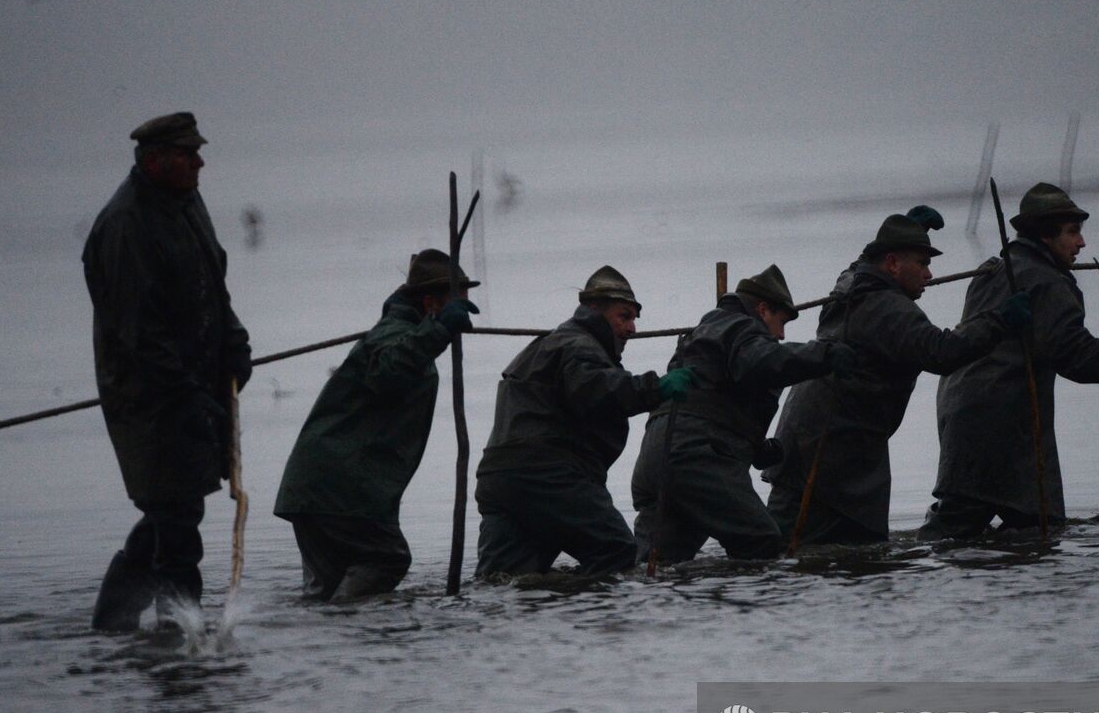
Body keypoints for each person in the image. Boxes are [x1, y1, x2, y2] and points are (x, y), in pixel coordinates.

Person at [923, 182, 1099, 539]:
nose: (1081, 243)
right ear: (1045, 235)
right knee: (1024, 526)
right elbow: (1074, 355)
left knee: (989, 522)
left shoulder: (994, 268)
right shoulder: (1048, 281)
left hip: (961, 407)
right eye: (1072, 233)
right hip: (1001, 417)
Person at [763, 212, 1031, 545]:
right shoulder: (887, 308)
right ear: (891, 263)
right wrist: (1000, 320)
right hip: (830, 457)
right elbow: (941, 352)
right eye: (921, 262)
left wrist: (907, 229)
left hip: (820, 445)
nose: (929, 275)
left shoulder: (850, 285)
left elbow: (862, 263)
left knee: (841, 552)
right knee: (787, 548)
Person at [83, 112, 252, 631]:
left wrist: (234, 339)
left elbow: (210, 284)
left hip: (196, 388)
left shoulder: (185, 202)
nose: (200, 162)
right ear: (155, 161)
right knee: (177, 519)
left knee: (171, 514)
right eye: (188, 154)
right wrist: (186, 395)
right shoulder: (126, 224)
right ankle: (183, 635)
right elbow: (139, 333)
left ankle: (114, 624)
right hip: (150, 403)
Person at [273, 250, 480, 601]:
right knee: (387, 558)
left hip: (321, 488)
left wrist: (436, 330)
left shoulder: (403, 333)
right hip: (339, 490)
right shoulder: (394, 333)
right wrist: (440, 329)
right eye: (455, 302)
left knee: (325, 592)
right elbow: (390, 371)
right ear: (430, 303)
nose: (463, 310)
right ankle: (346, 627)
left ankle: (326, 646)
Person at [474, 266, 695, 577]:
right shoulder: (580, 347)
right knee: (615, 551)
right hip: (548, 475)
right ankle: (590, 619)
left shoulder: (549, 345)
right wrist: (656, 388)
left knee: (505, 578)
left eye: (634, 319)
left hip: (499, 479)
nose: (632, 328)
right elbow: (597, 390)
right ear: (594, 310)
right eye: (624, 316)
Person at [632, 265, 856, 564]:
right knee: (759, 540)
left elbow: (710, 403)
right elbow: (761, 362)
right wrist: (824, 355)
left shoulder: (703, 333)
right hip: (693, 457)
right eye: (781, 321)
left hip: (657, 456)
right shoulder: (740, 328)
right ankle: (749, 609)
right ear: (763, 310)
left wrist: (755, 448)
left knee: (657, 562)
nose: (781, 334)